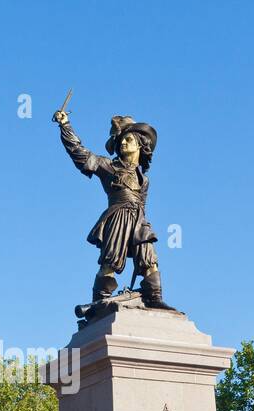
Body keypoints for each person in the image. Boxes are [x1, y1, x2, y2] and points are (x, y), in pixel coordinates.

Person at [52, 108, 173, 312]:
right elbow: (79, 153)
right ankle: (99, 302)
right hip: (117, 216)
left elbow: (142, 203)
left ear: (141, 145)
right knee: (110, 263)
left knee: (150, 260)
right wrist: (65, 126)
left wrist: (143, 225)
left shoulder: (145, 180)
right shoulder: (108, 166)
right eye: (122, 140)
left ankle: (154, 297)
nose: (123, 143)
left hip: (139, 219)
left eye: (129, 140)